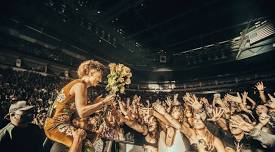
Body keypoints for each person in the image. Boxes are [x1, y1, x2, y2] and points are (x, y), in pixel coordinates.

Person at [44, 60, 115, 151]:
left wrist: (94, 103)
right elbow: (82, 113)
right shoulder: (80, 85)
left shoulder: (81, 85)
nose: (100, 80)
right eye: (99, 76)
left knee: (89, 141)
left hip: (57, 124)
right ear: (91, 72)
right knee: (87, 146)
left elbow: (77, 113)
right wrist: (103, 102)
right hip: (55, 125)